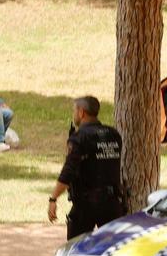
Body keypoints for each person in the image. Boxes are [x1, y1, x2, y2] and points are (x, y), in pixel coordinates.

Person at [47, 96, 124, 239]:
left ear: (82, 112)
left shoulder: (79, 138)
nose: (74, 114)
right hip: (112, 203)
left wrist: (53, 199)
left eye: (74, 110)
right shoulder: (113, 134)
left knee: (76, 249)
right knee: (113, 249)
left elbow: (68, 171)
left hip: (86, 205)